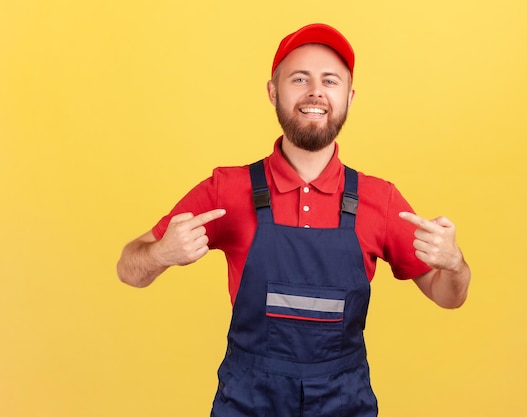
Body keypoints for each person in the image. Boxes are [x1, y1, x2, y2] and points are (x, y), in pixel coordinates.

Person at [117, 23, 471, 417]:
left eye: (330, 80)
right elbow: (129, 268)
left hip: (344, 402)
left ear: (349, 97)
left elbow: (449, 297)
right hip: (247, 402)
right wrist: (161, 253)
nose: (315, 92)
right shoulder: (226, 189)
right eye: (299, 78)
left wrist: (454, 264)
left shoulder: (380, 199)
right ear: (273, 91)